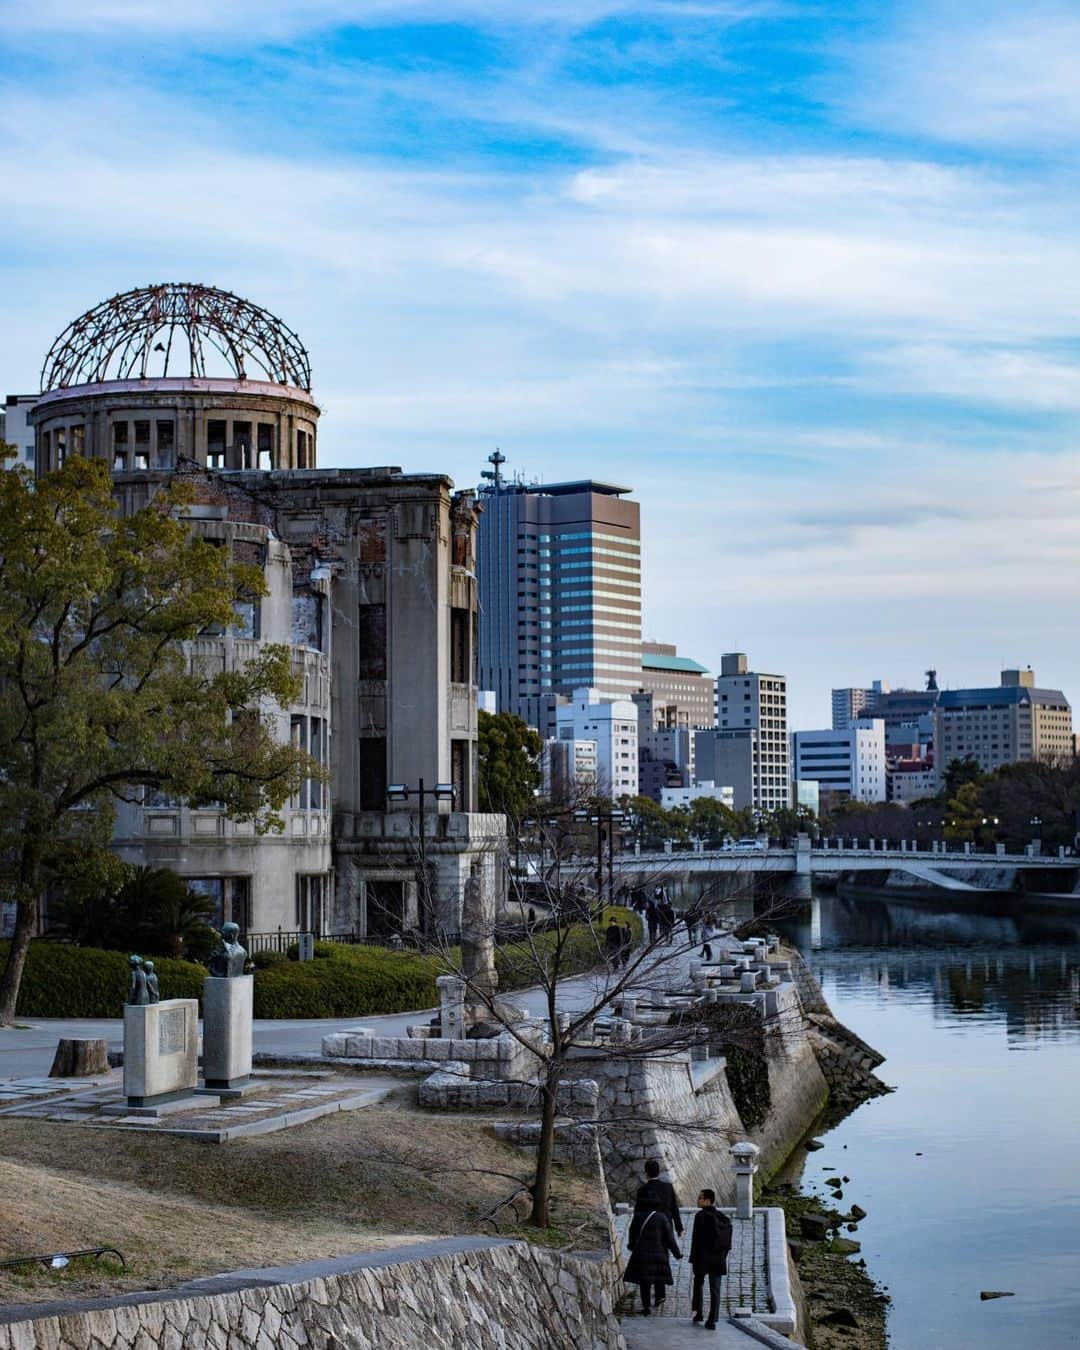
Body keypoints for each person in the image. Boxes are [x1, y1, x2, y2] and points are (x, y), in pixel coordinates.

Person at [625, 1175, 682, 1316]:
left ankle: (646, 1307)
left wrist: (632, 1246)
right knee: (659, 1272)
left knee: (645, 1280)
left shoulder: (638, 1216)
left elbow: (632, 1231)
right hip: (659, 1249)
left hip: (643, 1251)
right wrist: (677, 1253)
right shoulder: (661, 1217)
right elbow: (670, 1238)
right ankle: (659, 1297)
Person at [689, 1188, 732, 1330]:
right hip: (718, 1259)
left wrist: (693, 1258)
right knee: (715, 1289)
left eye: (700, 1198)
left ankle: (699, 1313)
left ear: (707, 1200)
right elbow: (727, 1242)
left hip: (702, 1258)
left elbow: (696, 1241)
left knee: (698, 1284)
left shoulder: (700, 1217)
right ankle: (712, 1320)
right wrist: (722, 1256)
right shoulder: (722, 1218)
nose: (698, 1200)